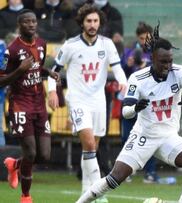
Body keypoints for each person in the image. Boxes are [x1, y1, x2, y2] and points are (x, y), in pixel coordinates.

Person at [75, 23, 182, 203]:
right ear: (153, 58)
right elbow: (126, 111)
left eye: (170, 61)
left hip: (168, 137)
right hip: (144, 136)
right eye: (163, 62)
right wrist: (136, 108)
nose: (168, 65)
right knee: (114, 178)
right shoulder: (138, 78)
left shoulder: (178, 71)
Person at [47, 4, 127, 203]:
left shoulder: (107, 44)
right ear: (82, 23)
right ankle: (99, 193)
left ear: (100, 23)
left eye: (95, 21)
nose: (92, 25)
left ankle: (86, 191)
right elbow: (53, 71)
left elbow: (117, 70)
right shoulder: (71, 45)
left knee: (92, 147)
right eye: (89, 21)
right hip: (78, 101)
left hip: (99, 101)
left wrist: (124, 84)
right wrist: (52, 91)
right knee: (90, 144)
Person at [0, 9, 58, 203]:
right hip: (20, 104)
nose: (31, 25)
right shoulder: (12, 50)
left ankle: (15, 164)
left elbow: (36, 68)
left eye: (33, 21)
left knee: (45, 156)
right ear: (20, 25)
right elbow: (1, 81)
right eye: (27, 22)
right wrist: (19, 70)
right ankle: (26, 196)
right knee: (31, 152)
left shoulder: (41, 44)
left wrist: (48, 72)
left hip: (39, 105)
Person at [120, 21, 160, 183]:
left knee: (150, 137)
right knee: (127, 137)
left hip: (149, 102)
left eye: (147, 38)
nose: (145, 41)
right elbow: (120, 74)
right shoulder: (129, 51)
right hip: (130, 100)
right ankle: (126, 171)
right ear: (138, 38)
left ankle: (150, 173)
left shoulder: (157, 52)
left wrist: (147, 66)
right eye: (142, 38)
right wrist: (127, 65)